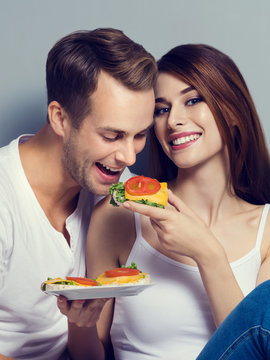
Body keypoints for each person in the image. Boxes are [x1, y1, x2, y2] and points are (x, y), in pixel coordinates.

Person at [58, 44, 270, 359]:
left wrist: (207, 254)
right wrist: (80, 324)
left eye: (193, 100)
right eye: (161, 109)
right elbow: (90, 355)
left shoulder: (265, 231)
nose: (173, 121)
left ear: (234, 112)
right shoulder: (119, 216)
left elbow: (252, 351)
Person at [0, 28, 157, 359]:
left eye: (140, 135)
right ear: (60, 118)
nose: (129, 157)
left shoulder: (113, 184)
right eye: (112, 135)